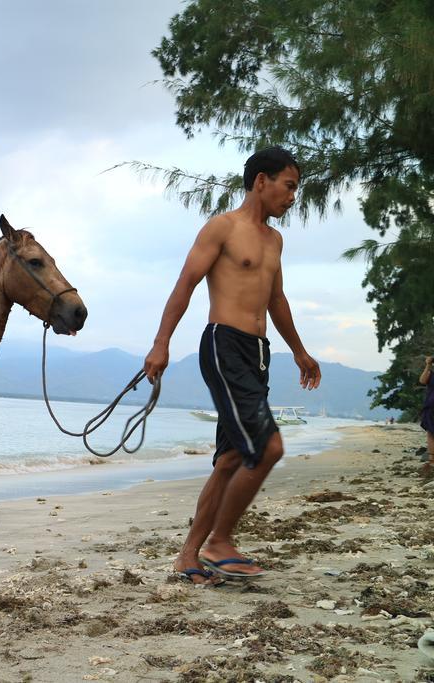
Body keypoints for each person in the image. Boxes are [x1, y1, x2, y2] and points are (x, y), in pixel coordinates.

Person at [143, 146, 321, 585]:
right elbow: (185, 284)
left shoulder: (274, 240)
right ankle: (219, 542)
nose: (293, 196)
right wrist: (160, 344)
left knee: (228, 459)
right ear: (261, 181)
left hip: (258, 353)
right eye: (289, 185)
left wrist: (298, 351)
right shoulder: (222, 228)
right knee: (268, 447)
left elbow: (276, 300)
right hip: (224, 346)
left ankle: (188, 556)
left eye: (296, 188)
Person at [420, 355, 433, 472]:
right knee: (430, 432)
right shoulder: (431, 373)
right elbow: (422, 380)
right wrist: (428, 365)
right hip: (431, 406)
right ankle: (432, 461)